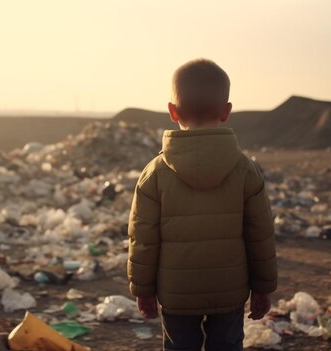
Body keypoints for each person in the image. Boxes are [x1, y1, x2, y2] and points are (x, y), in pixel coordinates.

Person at [127, 59, 277, 351]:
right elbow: (261, 233)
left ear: (172, 112)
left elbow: (142, 238)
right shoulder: (246, 170)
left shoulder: (154, 173)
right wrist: (262, 288)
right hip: (229, 292)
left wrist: (142, 290)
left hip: (176, 293)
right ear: (226, 112)